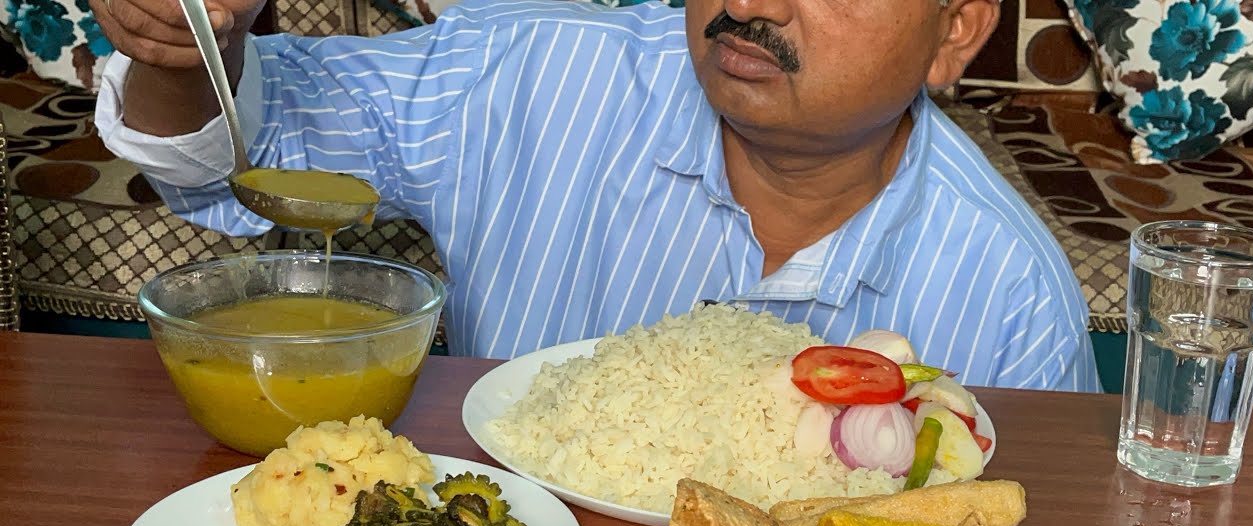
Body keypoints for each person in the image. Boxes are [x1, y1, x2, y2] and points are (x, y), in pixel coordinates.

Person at [92, 0, 1101, 391]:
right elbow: (252, 144)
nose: (749, 5)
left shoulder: (1006, 298)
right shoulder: (530, 72)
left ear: (955, 32)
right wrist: (189, 45)